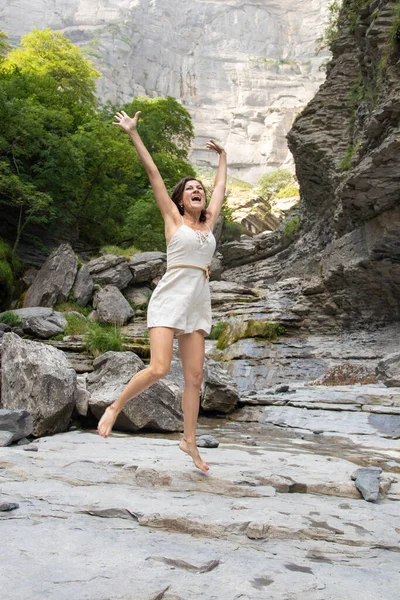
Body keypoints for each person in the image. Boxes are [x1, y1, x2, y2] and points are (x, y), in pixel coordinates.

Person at [97, 110, 227, 472]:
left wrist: (223, 158)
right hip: (171, 296)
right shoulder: (173, 220)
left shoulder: (208, 222)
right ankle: (114, 406)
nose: (198, 192)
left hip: (198, 299)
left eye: (199, 188)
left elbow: (220, 189)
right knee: (158, 367)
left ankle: (189, 440)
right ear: (180, 200)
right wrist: (134, 134)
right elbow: (153, 173)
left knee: (195, 377)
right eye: (190, 190)